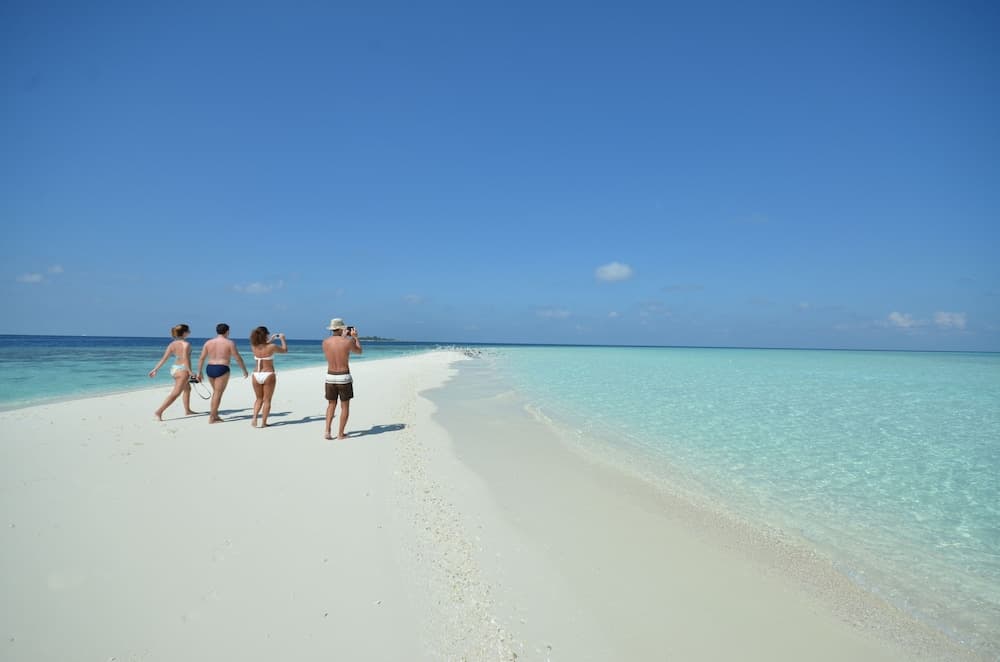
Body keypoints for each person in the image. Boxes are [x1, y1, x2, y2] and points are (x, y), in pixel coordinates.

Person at [196, 323, 249, 424]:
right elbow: (237, 357)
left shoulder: (208, 342)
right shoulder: (229, 343)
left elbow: (202, 358)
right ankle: (212, 417)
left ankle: (215, 414)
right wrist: (244, 370)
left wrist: (199, 372)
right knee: (217, 394)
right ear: (227, 331)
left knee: (216, 393)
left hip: (210, 368)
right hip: (222, 368)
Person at [322, 318, 362, 440]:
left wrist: (344, 337)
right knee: (344, 407)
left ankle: (327, 431)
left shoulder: (325, 342)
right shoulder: (348, 342)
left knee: (331, 405)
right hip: (343, 376)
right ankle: (340, 434)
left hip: (330, 376)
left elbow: (334, 351)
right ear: (340, 329)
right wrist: (355, 338)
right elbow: (359, 351)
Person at [148, 323, 197, 421]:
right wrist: (191, 372)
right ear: (184, 333)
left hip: (174, 369)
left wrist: (155, 369)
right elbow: (186, 359)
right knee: (176, 393)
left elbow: (164, 359)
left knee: (187, 389)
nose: (190, 332)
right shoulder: (186, 344)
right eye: (188, 331)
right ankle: (159, 412)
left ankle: (187, 410)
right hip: (183, 370)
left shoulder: (172, 344)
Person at [249, 326, 287, 428]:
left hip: (256, 374)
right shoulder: (272, 347)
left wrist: (271, 340)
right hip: (268, 374)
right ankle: (264, 422)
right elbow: (284, 350)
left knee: (258, 399)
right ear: (265, 335)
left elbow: (262, 345)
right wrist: (282, 339)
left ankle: (254, 418)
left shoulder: (253, 346)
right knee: (267, 400)